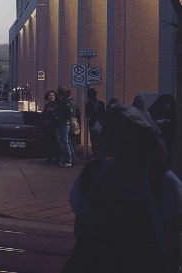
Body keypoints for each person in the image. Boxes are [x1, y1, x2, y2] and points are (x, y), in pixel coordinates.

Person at [65, 104, 182, 272]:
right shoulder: (92, 174)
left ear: (137, 135)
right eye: (108, 131)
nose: (110, 137)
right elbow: (81, 230)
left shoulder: (162, 181)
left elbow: (175, 245)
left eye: (120, 133)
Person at [149, 94, 177, 164]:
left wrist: (168, 122)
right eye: (165, 103)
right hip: (155, 141)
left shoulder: (175, 113)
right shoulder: (153, 111)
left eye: (170, 104)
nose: (168, 106)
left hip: (170, 141)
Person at [56, 87, 79, 167]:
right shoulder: (69, 101)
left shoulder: (63, 102)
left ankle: (68, 160)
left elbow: (67, 112)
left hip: (63, 123)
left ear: (59, 93)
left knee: (65, 142)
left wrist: (59, 117)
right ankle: (70, 159)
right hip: (67, 123)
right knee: (68, 142)